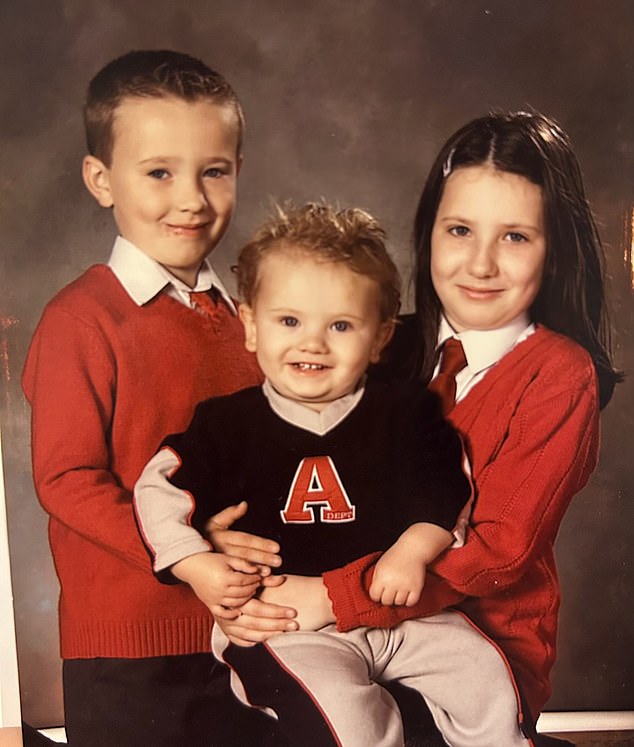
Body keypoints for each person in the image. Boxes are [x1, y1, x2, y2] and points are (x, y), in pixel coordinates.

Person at [211, 111, 620, 744]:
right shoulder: (378, 345)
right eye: (459, 230)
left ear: (554, 247)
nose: (480, 264)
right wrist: (238, 552)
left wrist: (328, 598)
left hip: (475, 652)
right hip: (332, 624)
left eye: (514, 237)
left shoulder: (558, 376)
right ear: (429, 231)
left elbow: (494, 554)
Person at [134, 202, 531, 747]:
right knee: (346, 718)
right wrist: (197, 564)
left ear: (379, 337)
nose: (313, 342)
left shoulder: (406, 413)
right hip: (290, 624)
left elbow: (447, 486)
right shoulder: (227, 424)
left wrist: (412, 549)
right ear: (251, 325)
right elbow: (159, 486)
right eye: (289, 320)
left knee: (484, 676)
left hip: (405, 614)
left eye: (341, 325)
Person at [21, 49, 283, 747]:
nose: (191, 198)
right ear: (101, 180)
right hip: (129, 645)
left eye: (214, 171)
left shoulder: (246, 318)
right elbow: (67, 479)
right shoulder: (82, 318)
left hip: (242, 628)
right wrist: (190, 554)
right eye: (160, 172)